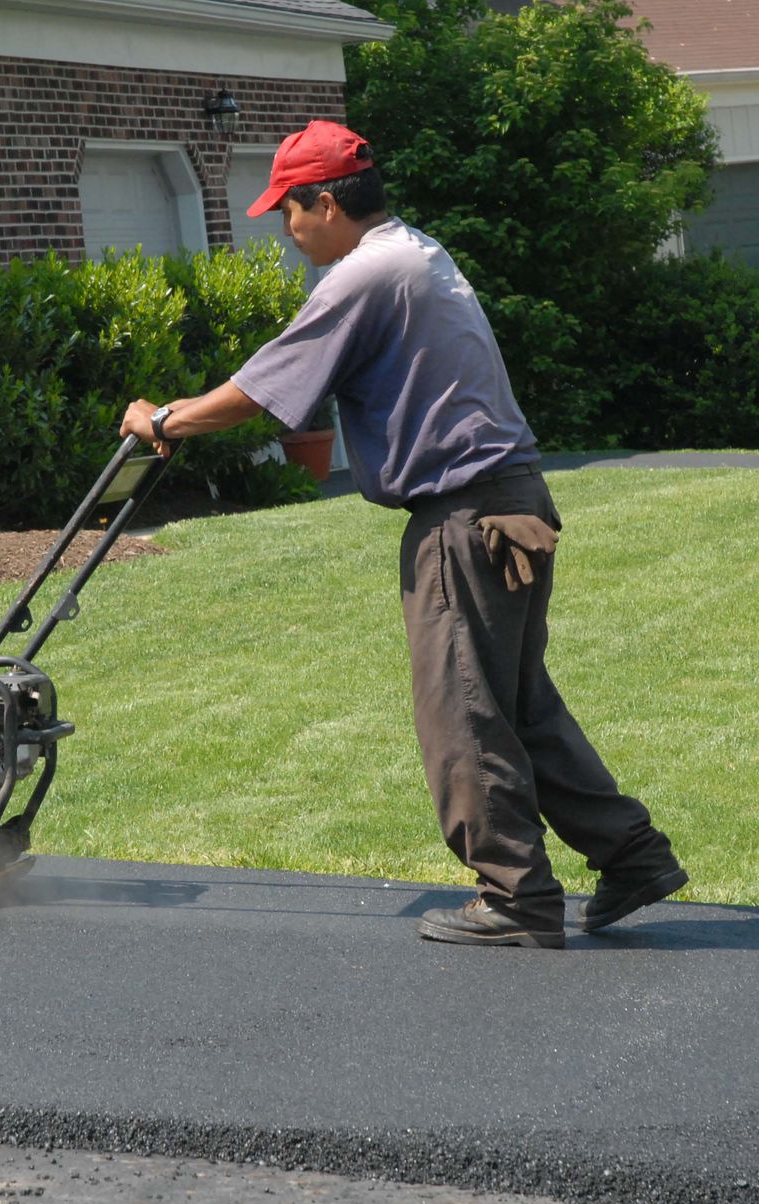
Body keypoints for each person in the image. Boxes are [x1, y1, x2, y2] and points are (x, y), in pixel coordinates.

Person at [117, 120, 686, 949]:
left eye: (289, 210)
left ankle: (516, 895)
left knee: (462, 709)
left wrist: (166, 418)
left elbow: (268, 387)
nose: (285, 228)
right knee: (518, 704)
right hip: (510, 498)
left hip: (464, 518)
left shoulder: (368, 273)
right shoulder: (418, 252)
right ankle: (630, 855)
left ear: (325, 201)